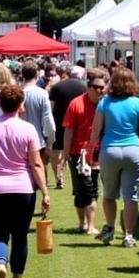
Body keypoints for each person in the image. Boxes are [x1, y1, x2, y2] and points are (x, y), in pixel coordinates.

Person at [0, 84, 50, 278]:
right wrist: (45, 192)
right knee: (20, 234)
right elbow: (36, 164)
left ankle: (1, 263)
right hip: (23, 188)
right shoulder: (28, 129)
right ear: (20, 104)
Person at [91, 65, 139, 247]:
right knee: (130, 196)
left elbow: (96, 130)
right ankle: (128, 235)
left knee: (109, 193)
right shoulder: (138, 103)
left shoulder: (104, 102)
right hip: (133, 150)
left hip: (110, 150)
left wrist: (90, 149)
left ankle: (109, 228)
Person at [60, 68, 107, 235]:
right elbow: (69, 130)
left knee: (91, 188)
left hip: (98, 153)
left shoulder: (105, 105)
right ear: (89, 87)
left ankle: (90, 225)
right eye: (98, 87)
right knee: (81, 191)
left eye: (104, 87)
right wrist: (65, 154)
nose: (102, 91)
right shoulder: (76, 104)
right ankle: (84, 224)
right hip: (78, 154)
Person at [48, 61, 86, 190]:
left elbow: (51, 108)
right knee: (77, 150)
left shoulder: (56, 87)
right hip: (78, 122)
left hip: (59, 122)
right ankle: (80, 173)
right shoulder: (82, 87)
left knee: (56, 151)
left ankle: (59, 176)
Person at [19, 61, 56, 160]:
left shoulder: (17, 93)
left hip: (19, 141)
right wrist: (50, 143)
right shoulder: (42, 94)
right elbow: (48, 120)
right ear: (37, 74)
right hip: (38, 141)